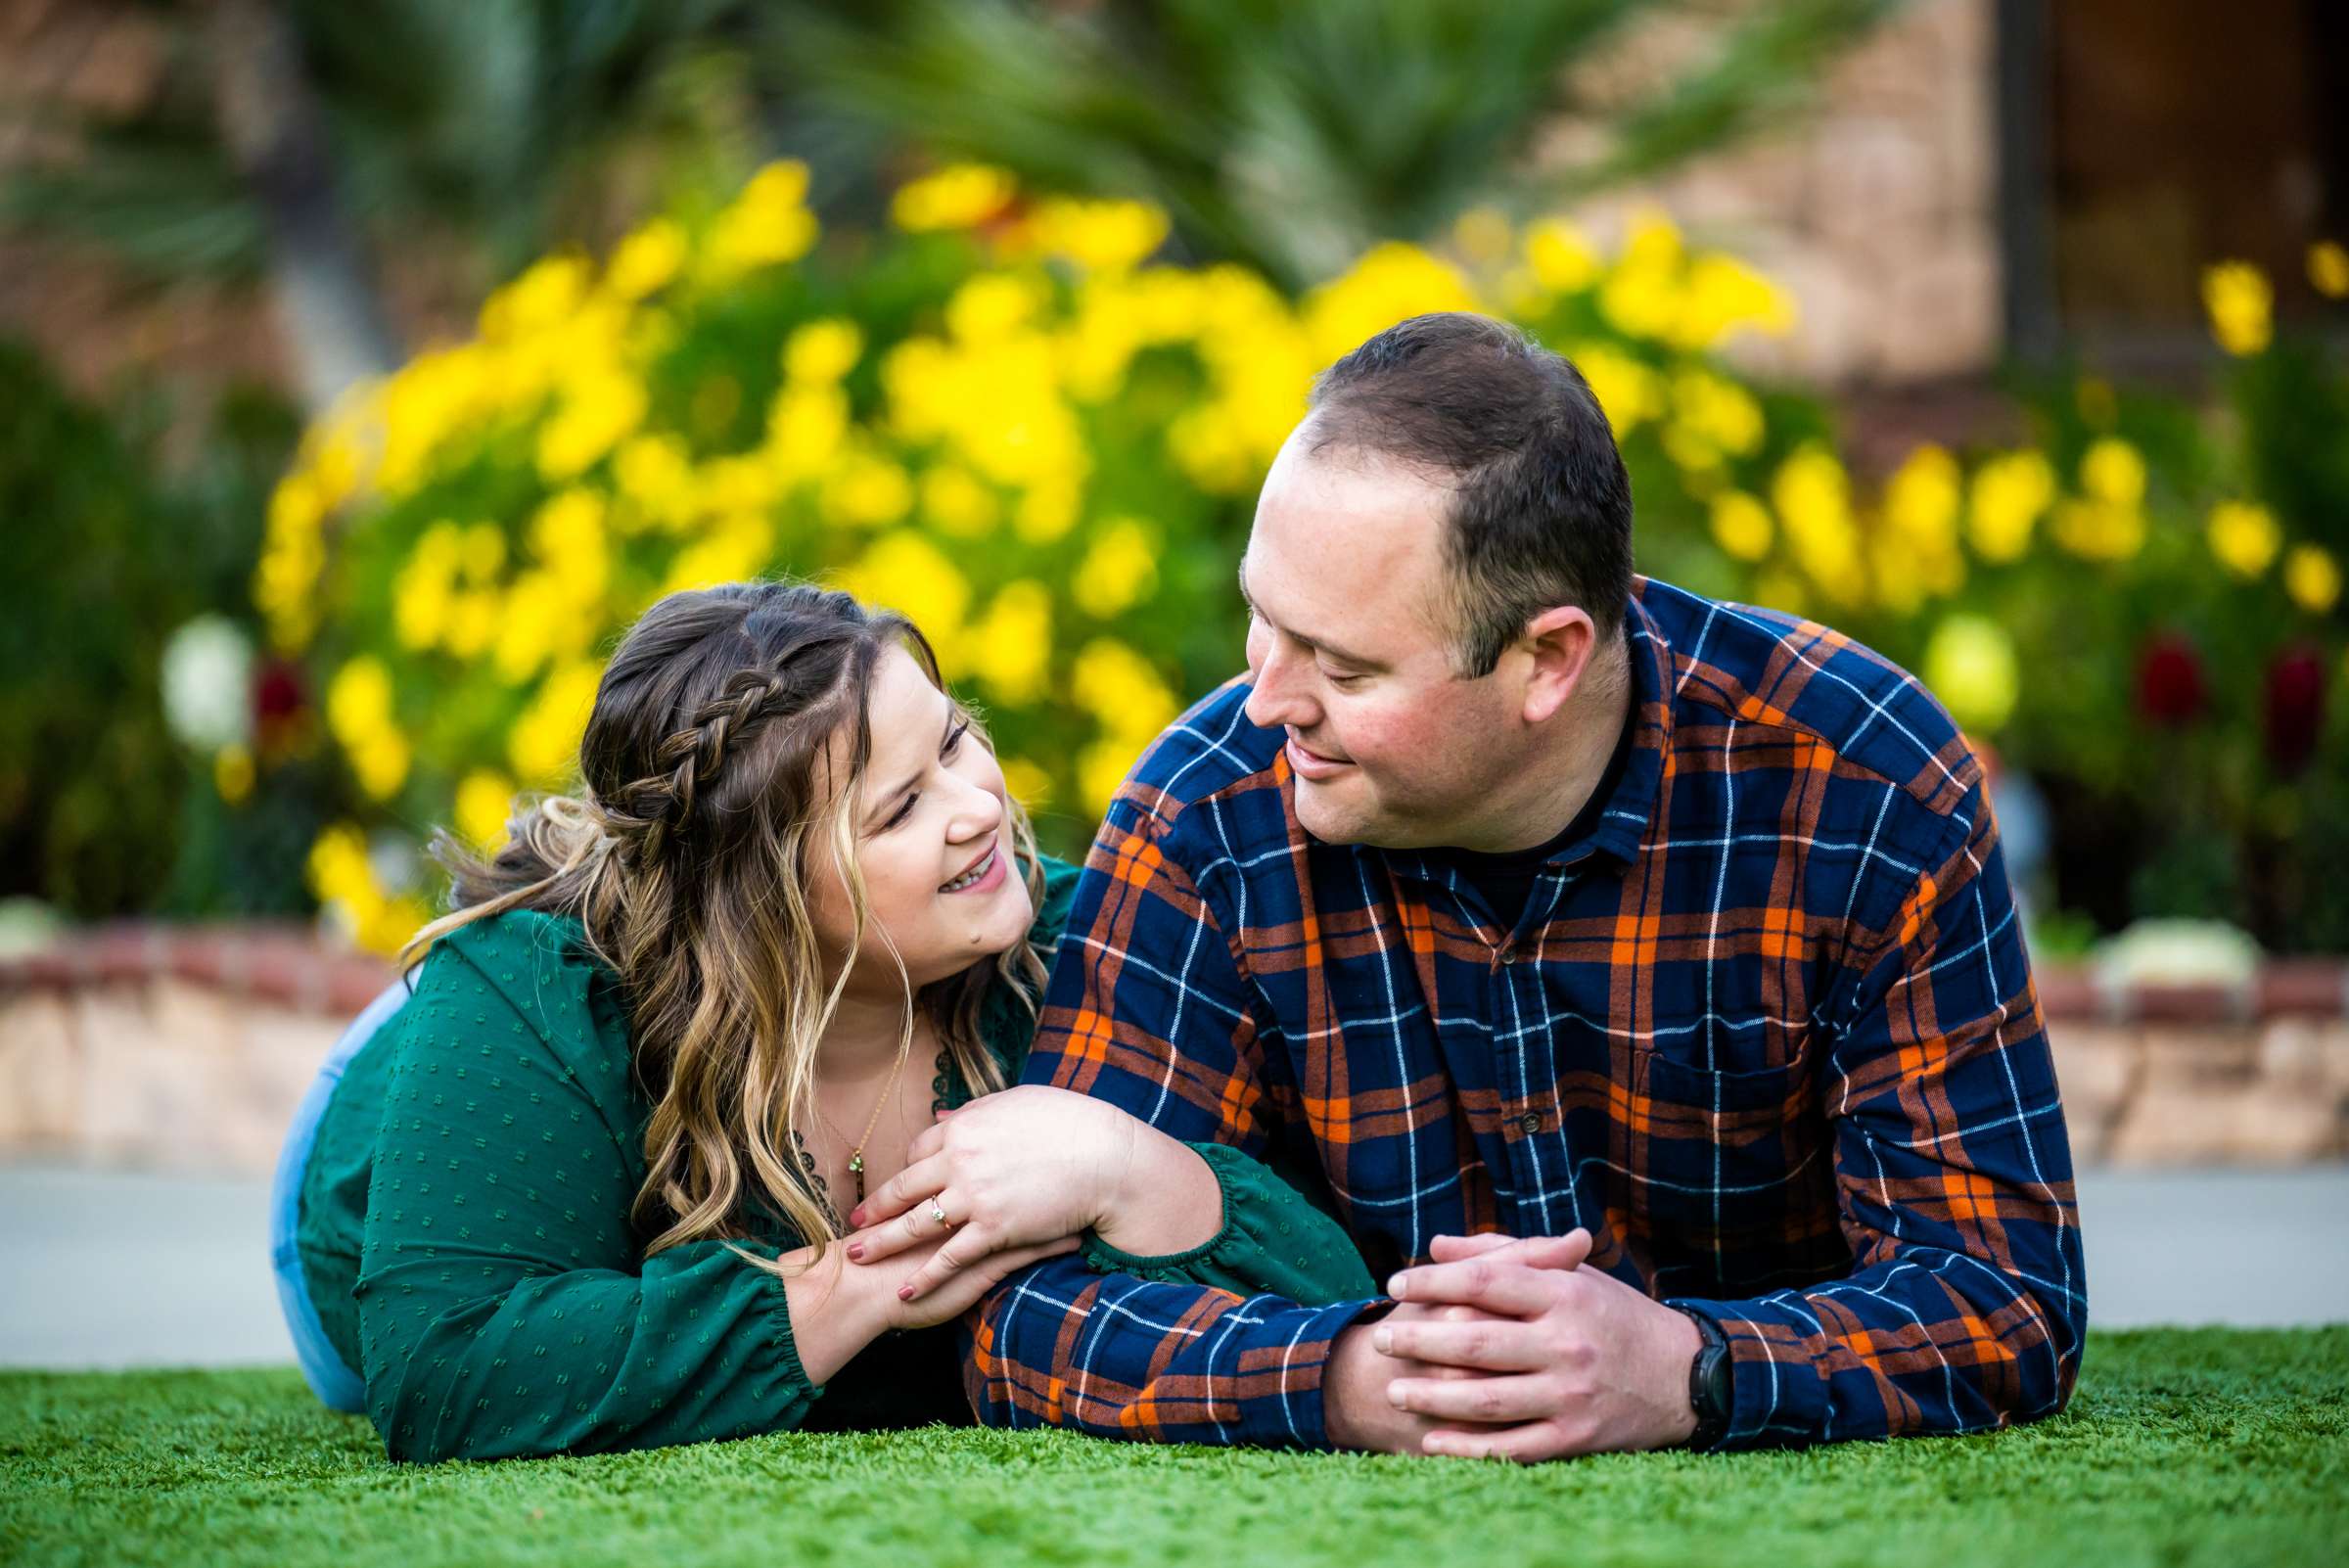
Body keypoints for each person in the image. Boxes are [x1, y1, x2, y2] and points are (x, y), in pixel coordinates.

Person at [956, 312, 2088, 1460]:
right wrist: (1352, 1377)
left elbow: (2003, 1295)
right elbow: (1022, 1315)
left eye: (1343, 666)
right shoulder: (1209, 816)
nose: (1266, 700)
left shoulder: (1863, 787)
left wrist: (1692, 1369)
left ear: (1547, 658)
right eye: (1263, 618)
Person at [270, 581, 1371, 1462]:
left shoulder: (1076, 936)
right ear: (770, 902)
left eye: (952, 740)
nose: (980, 806)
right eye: (900, 808)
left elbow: (1345, 1293)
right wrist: (860, 1287)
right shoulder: (544, 991)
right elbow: (445, 1365)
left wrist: (1130, 1170)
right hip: (393, 1142)